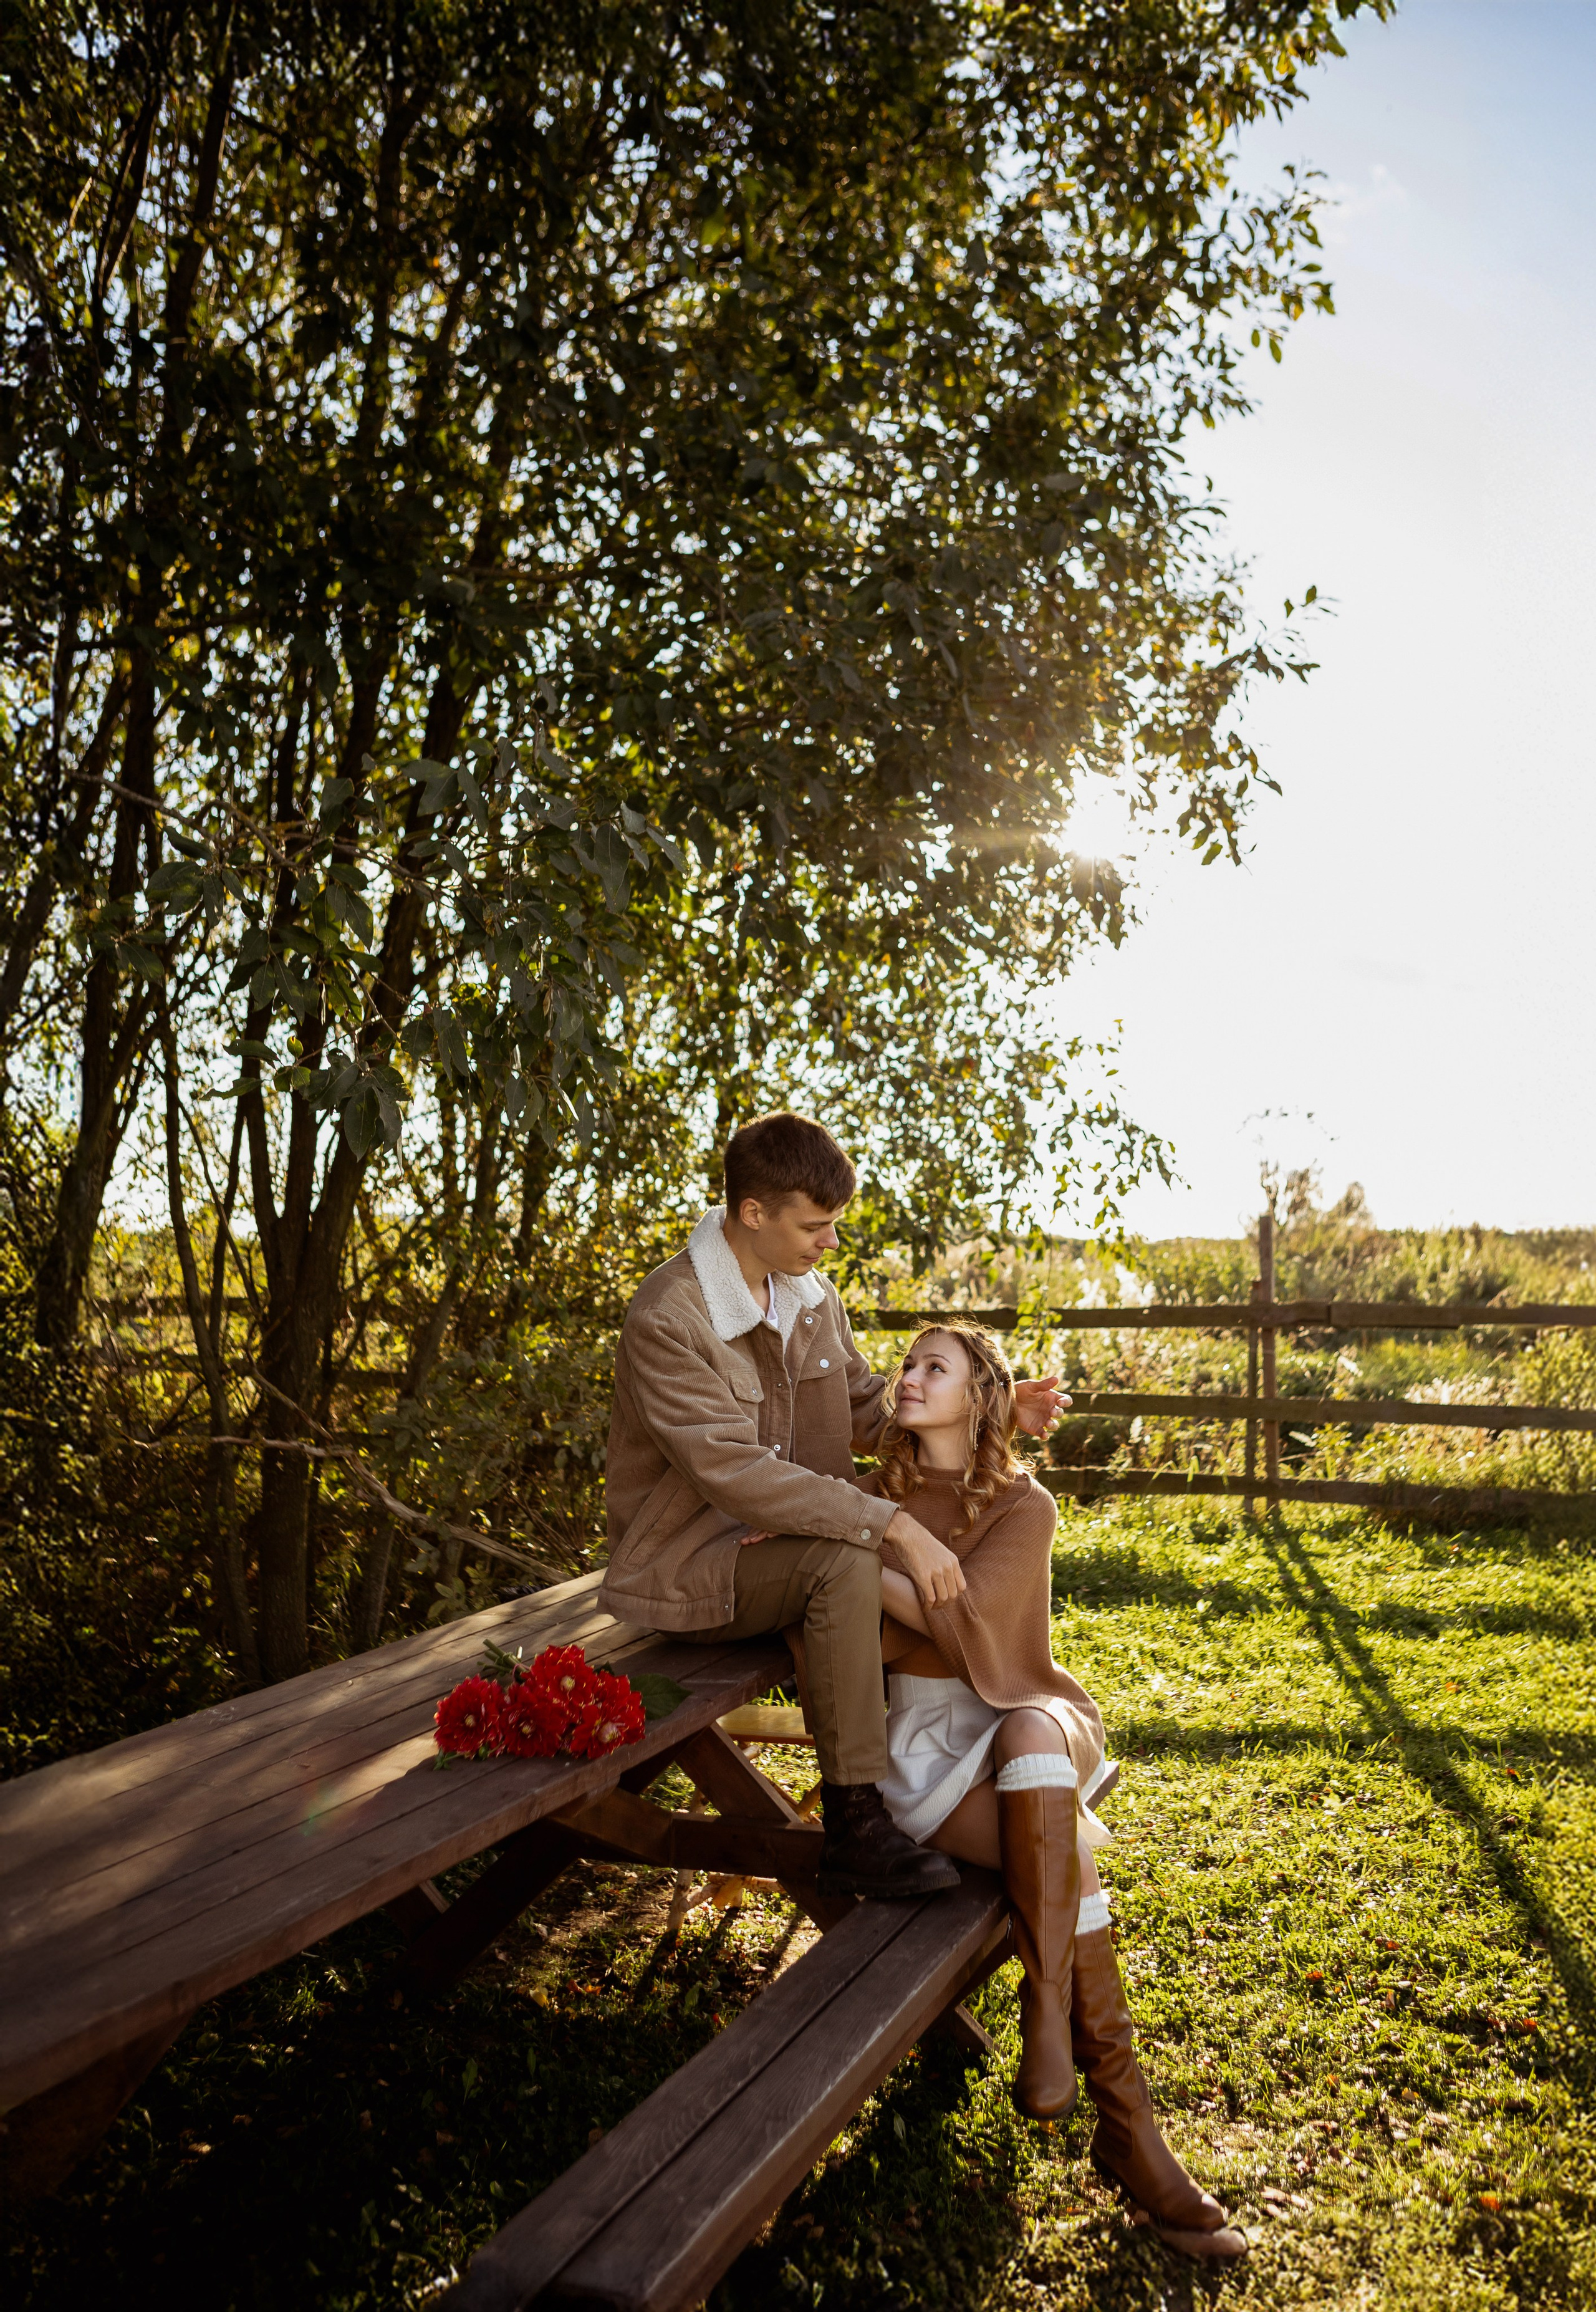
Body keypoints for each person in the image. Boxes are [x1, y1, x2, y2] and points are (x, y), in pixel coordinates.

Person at [600, 1110, 1067, 1901]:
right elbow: (732, 1470)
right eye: (815, 1226)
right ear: (754, 1214)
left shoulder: (807, 1295)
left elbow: (863, 1405)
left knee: (841, 1556)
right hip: (696, 1565)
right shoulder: (669, 1318)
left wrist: (985, 1405)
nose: (830, 1243)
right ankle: (858, 1821)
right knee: (844, 1556)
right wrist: (894, 1525)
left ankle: (941, 1773)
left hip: (793, 1546)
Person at [868, 1321, 1247, 2263]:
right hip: (921, 1744)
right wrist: (888, 1548)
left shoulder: (1024, 1506)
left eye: (933, 1368)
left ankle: (1047, 2011)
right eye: (907, 1365)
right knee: (1061, 1844)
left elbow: (963, 1627)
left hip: (1023, 1704)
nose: (909, 1377)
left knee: (1034, 1739)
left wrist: (874, 1569)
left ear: (979, 1397)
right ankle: (1130, 2134)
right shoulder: (874, 1493)